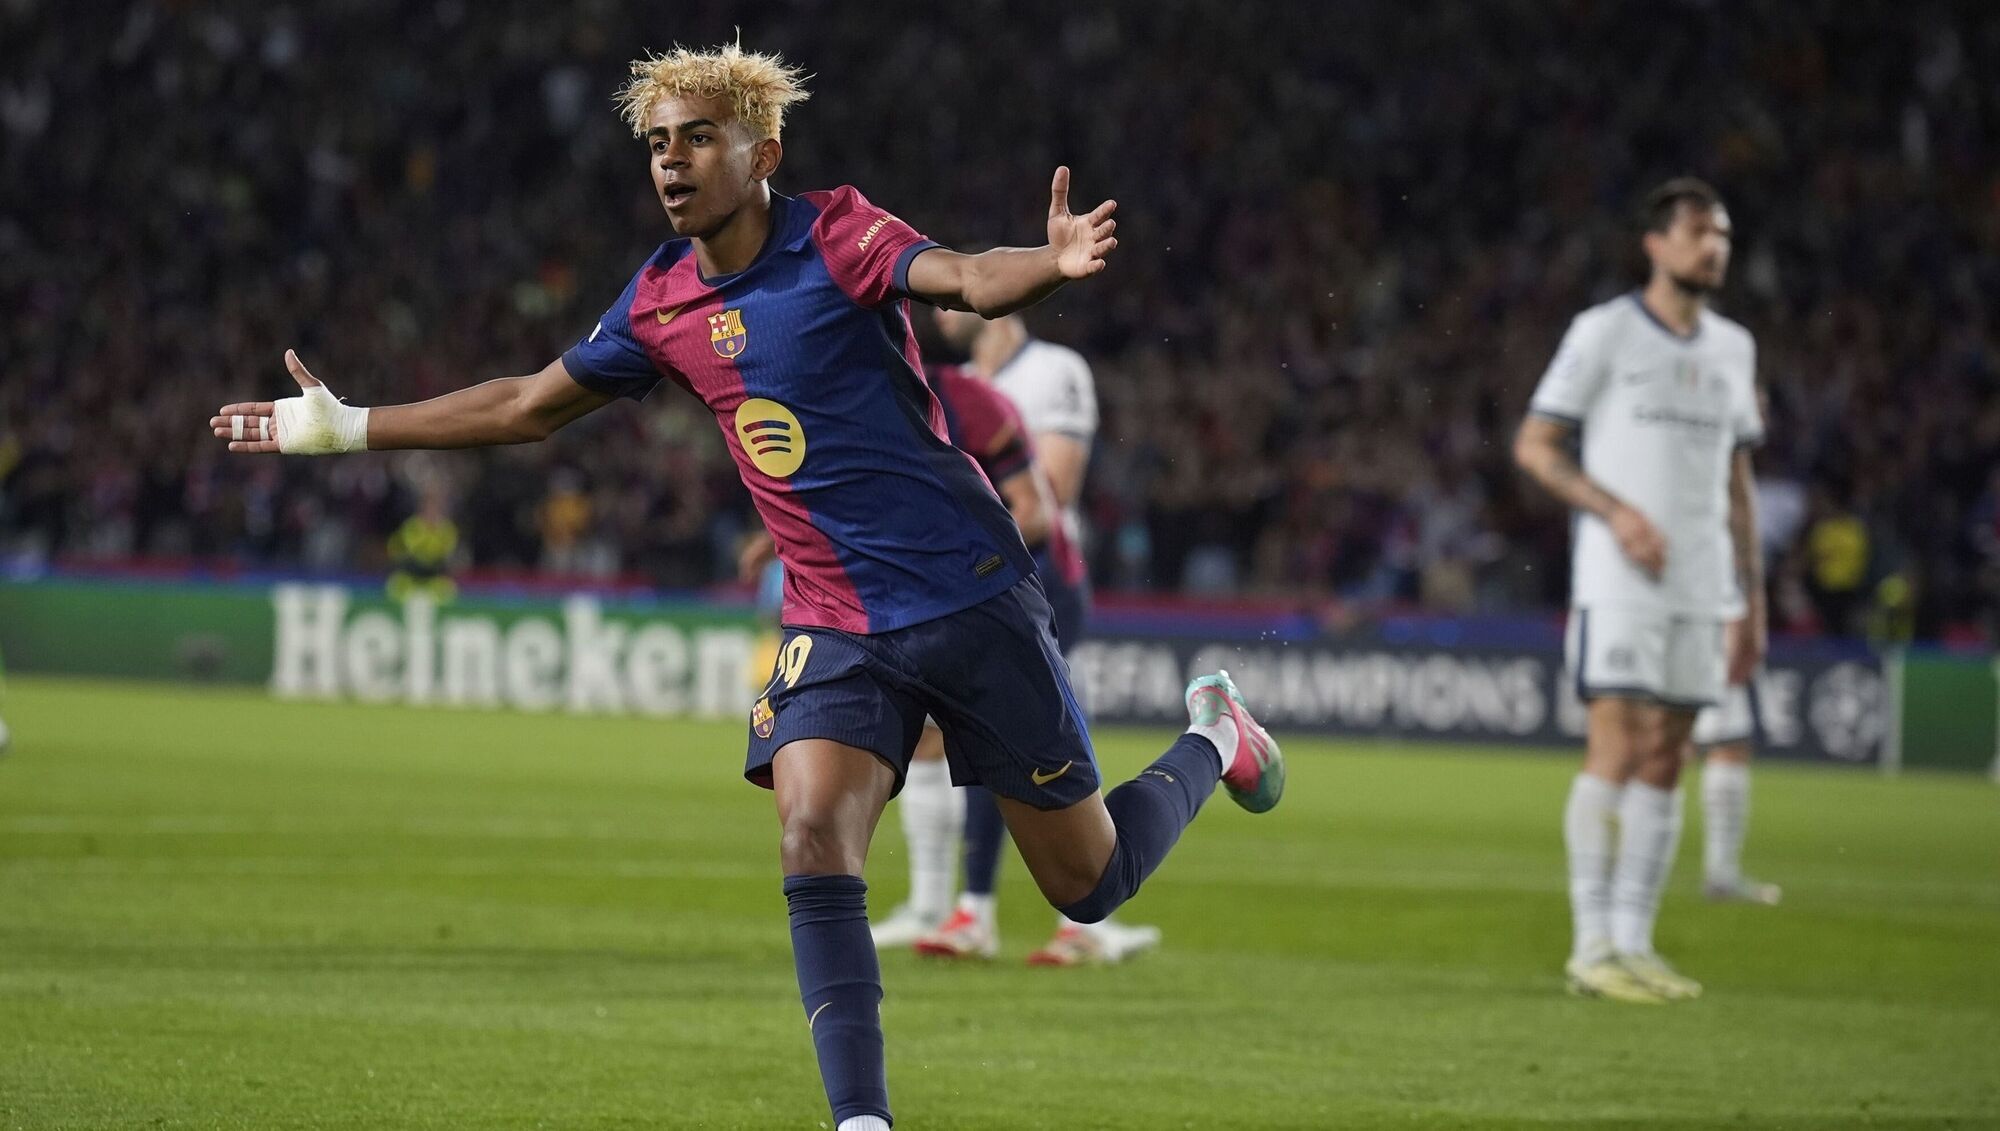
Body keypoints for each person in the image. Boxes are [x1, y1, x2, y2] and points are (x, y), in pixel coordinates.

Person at [207, 43, 1284, 1131]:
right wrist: (349, 426)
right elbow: (527, 405)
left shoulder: (839, 237)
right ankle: (860, 1120)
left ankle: (1215, 739)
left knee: (1087, 885)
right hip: (833, 623)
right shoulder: (660, 300)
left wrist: (1046, 264)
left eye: (698, 139)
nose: (671, 163)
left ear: (763, 154)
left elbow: (963, 276)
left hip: (967, 596)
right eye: (657, 145)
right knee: (809, 831)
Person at [1514, 176, 1765, 1005]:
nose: (1713, 247)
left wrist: (1751, 599)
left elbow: (1737, 482)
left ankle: (1634, 940)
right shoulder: (1606, 332)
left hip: (1703, 584)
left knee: (1668, 755)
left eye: (1722, 234)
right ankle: (1590, 945)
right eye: (1698, 231)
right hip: (1620, 581)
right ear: (1656, 244)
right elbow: (1536, 444)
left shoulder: (1734, 348)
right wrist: (1615, 512)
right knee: (1617, 748)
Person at [904, 309, 1158, 965]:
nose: (939, 307)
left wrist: (951, 544)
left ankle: (1077, 917)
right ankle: (967, 909)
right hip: (971, 584)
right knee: (957, 733)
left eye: (952, 293)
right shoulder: (946, 382)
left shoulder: (1053, 371)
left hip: (1041, 576)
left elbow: (1055, 487)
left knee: (1030, 734)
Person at [1688, 686, 1781, 905]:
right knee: (1728, 749)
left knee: (1731, 750)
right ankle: (1720, 876)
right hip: (1722, 687)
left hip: (1720, 685)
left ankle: (1722, 873)